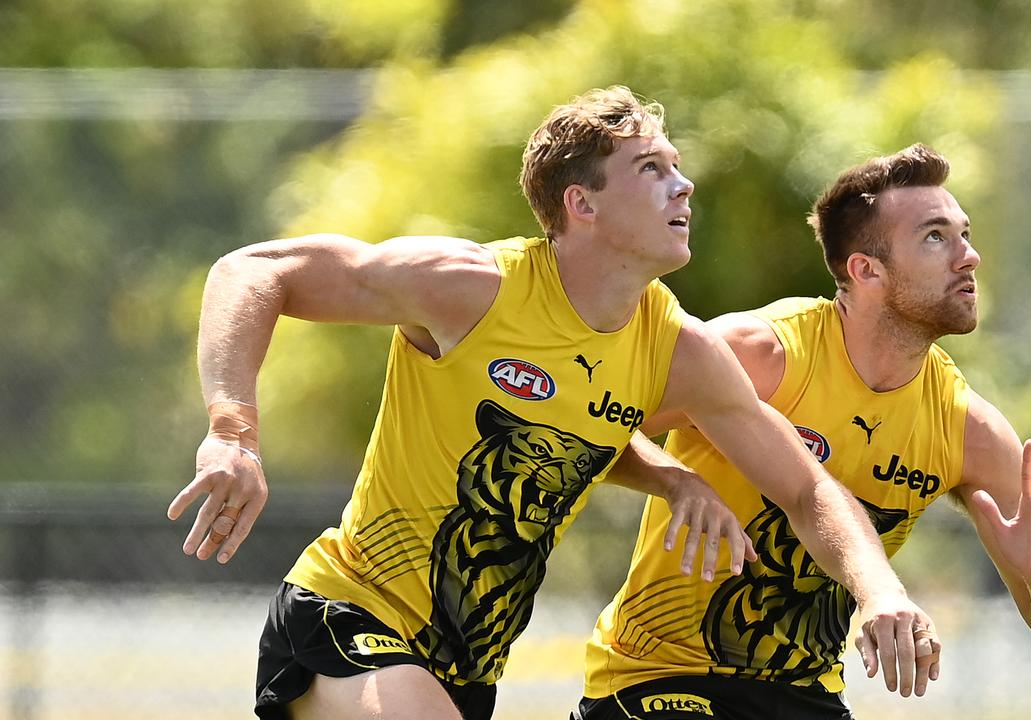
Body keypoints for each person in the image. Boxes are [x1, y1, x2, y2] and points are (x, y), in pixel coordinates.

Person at [166, 88, 940, 720]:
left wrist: (880, 596)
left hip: (466, 672)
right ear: (583, 204)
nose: (685, 184)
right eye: (651, 168)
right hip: (348, 615)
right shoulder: (470, 288)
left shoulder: (676, 347)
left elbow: (803, 487)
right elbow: (254, 270)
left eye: (678, 166)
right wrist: (233, 430)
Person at [576, 144, 1031, 720]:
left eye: (965, 234)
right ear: (866, 270)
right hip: (655, 679)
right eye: (936, 237)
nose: (969, 257)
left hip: (806, 695)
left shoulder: (967, 430)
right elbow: (586, 424)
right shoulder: (760, 355)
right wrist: (676, 480)